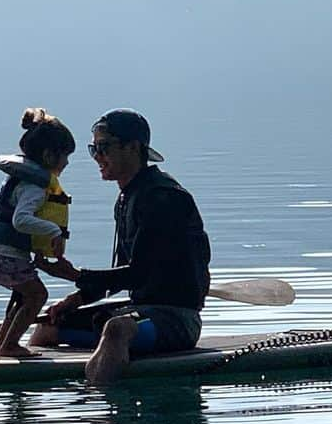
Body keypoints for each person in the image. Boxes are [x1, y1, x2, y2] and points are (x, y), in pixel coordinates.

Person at [31, 109, 211, 383]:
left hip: (177, 320)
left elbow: (140, 273)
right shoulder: (127, 198)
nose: (97, 157)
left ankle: (104, 407)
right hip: (140, 311)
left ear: (134, 148)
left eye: (104, 147)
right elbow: (119, 276)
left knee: (116, 329)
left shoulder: (163, 198)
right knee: (49, 326)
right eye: (94, 149)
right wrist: (76, 299)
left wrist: (77, 275)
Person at [0, 107, 76, 357]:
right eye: (65, 156)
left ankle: (2, 344)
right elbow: (21, 220)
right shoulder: (35, 186)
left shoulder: (25, 178)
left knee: (21, 295)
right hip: (3, 252)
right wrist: (53, 232)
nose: (67, 163)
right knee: (38, 295)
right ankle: (9, 345)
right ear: (49, 155)